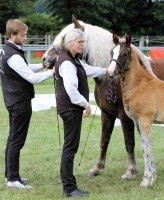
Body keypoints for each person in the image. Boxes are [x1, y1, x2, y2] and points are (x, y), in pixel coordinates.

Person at [55, 28, 114, 198]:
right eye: (80, 42)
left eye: (83, 42)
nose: (83, 45)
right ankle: (69, 187)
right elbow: (71, 90)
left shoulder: (74, 59)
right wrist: (86, 104)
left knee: (70, 147)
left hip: (71, 109)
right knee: (70, 147)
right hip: (70, 109)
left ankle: (69, 184)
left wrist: (106, 70)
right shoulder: (67, 62)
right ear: (70, 43)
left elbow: (87, 70)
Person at [0, 19, 55, 189]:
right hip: (19, 102)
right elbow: (31, 78)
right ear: (12, 35)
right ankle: (13, 180)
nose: (25, 38)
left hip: (13, 100)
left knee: (13, 139)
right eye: (22, 35)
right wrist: (52, 72)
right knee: (17, 141)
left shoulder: (7, 50)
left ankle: (10, 175)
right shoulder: (13, 55)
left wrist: (42, 65)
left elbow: (25, 67)